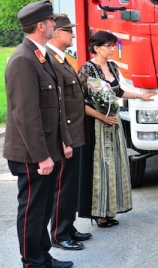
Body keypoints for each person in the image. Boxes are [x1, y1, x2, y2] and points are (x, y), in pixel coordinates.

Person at [3, 0, 74, 268]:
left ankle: (44, 256)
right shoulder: (23, 60)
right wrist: (42, 156)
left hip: (46, 151)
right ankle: (32, 262)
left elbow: (53, 108)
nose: (56, 25)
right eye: (52, 21)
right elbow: (26, 114)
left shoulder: (38, 56)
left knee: (43, 209)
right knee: (32, 211)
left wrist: (62, 143)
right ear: (41, 25)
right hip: (32, 155)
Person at [77, 31, 157, 227]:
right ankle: (98, 213)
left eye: (113, 45)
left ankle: (110, 209)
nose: (113, 49)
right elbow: (77, 102)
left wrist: (140, 96)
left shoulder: (112, 66)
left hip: (113, 123)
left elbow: (118, 92)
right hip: (95, 124)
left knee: (114, 165)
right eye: (109, 46)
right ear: (96, 48)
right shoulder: (86, 69)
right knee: (99, 167)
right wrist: (100, 116)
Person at [46, 15, 92, 250]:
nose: (73, 35)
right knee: (62, 185)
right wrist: (64, 139)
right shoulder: (51, 62)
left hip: (75, 133)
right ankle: (59, 233)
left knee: (71, 184)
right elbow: (58, 105)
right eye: (69, 31)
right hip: (66, 136)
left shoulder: (62, 59)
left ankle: (68, 226)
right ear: (57, 33)